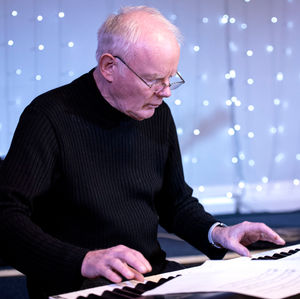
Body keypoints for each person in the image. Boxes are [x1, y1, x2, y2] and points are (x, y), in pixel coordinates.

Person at [0, 6, 285, 299]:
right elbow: (6, 216)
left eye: (170, 78)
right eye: (154, 80)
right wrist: (83, 260)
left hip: (150, 276)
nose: (166, 92)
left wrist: (218, 233)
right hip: (78, 286)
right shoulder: (48, 117)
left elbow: (174, 203)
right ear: (109, 66)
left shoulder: (156, 114)